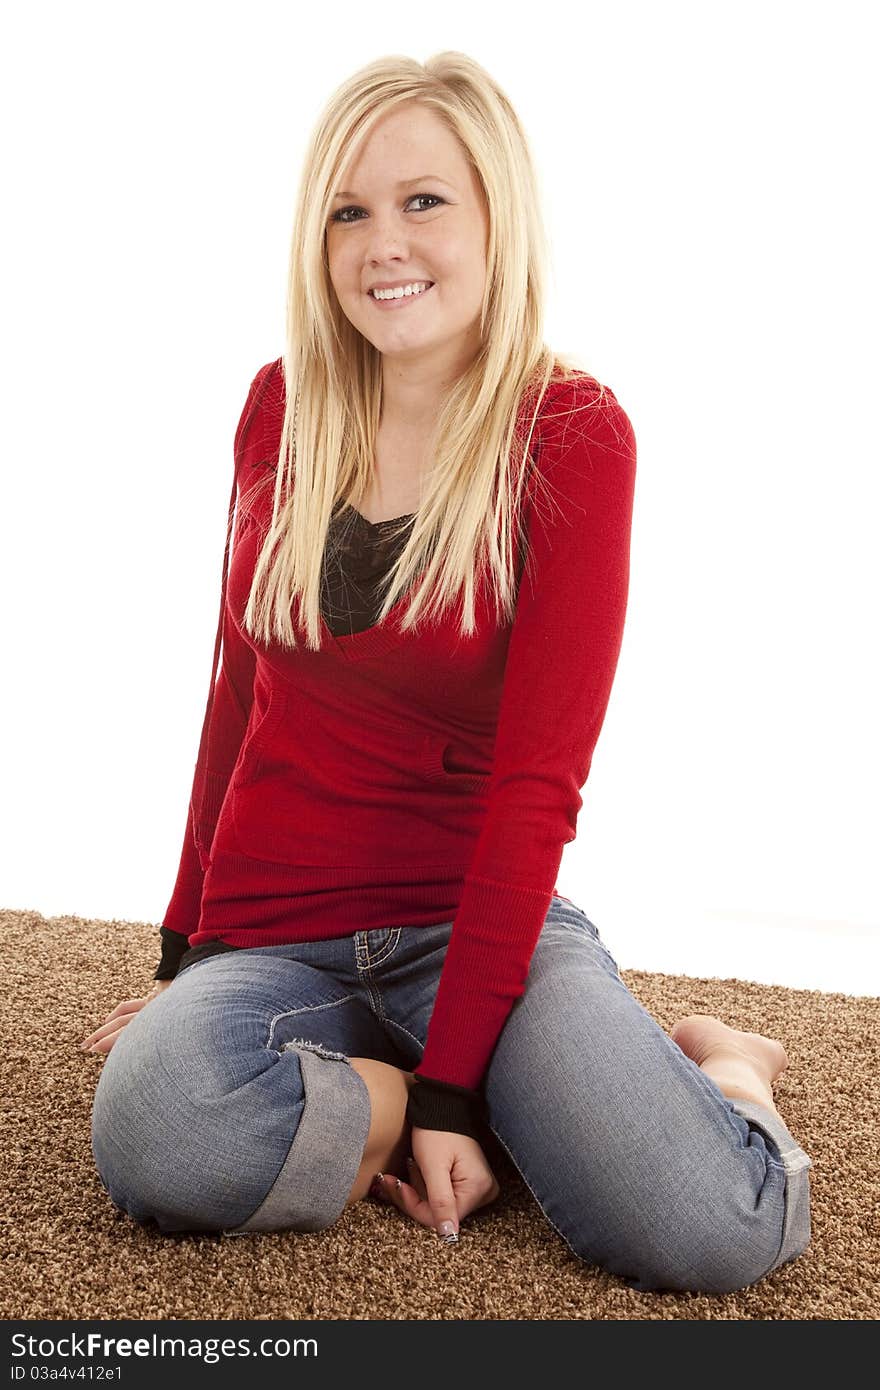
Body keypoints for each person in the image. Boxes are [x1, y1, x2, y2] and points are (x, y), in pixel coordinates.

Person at [82, 51, 812, 1293]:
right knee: (153, 1125)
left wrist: (459, 1089)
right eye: (348, 211)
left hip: (479, 926)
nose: (384, 245)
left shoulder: (571, 433)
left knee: (708, 1228)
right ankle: (375, 1089)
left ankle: (720, 1064)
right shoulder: (280, 405)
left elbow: (537, 785)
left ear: (494, 217)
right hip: (277, 929)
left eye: (423, 201)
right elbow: (234, 696)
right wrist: (184, 958)